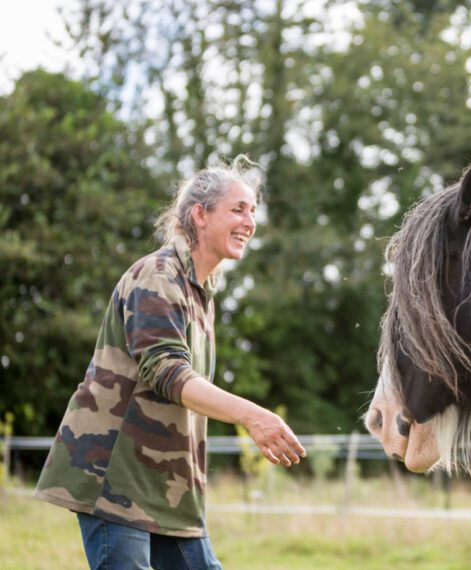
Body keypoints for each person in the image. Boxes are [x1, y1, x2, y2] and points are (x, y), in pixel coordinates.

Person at [34, 157, 306, 569]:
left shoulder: (199, 292)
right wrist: (253, 417)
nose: (250, 222)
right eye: (238, 209)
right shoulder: (158, 275)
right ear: (200, 214)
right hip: (114, 476)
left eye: (253, 211)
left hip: (167, 490)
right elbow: (167, 372)